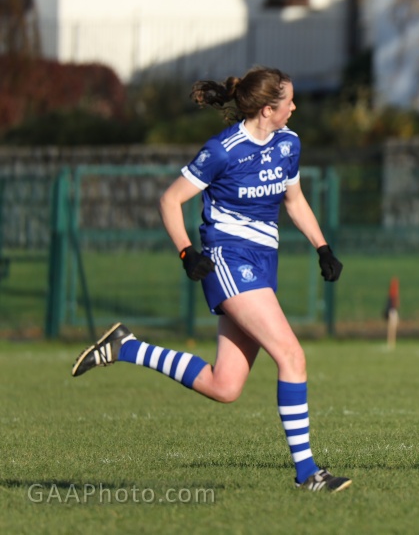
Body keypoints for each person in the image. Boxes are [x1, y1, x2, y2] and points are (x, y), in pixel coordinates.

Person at [71, 66, 352, 492]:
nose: (295, 107)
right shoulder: (223, 150)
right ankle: (308, 473)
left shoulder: (289, 143)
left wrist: (322, 247)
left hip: (262, 262)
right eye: (289, 101)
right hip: (229, 259)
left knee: (225, 386)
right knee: (291, 356)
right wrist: (187, 252)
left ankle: (126, 348)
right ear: (267, 109)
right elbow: (170, 200)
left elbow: (294, 201)